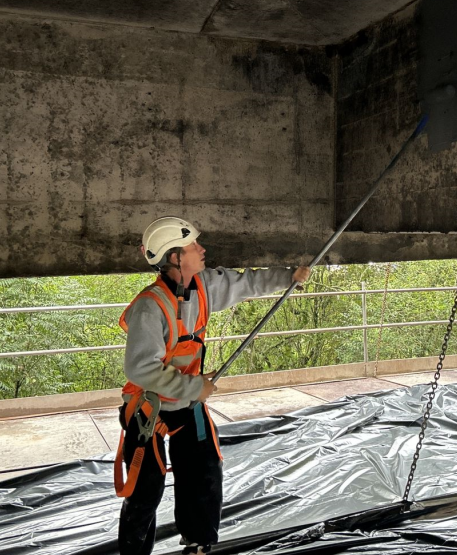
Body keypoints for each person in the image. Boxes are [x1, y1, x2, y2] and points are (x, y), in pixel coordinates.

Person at [114, 216, 310, 555]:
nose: (202, 250)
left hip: (186, 405)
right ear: (175, 257)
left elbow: (244, 284)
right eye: (193, 246)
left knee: (204, 474)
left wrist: (288, 276)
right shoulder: (151, 306)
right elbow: (140, 368)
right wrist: (194, 388)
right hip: (149, 409)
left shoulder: (203, 286)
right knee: (145, 490)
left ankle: (199, 546)